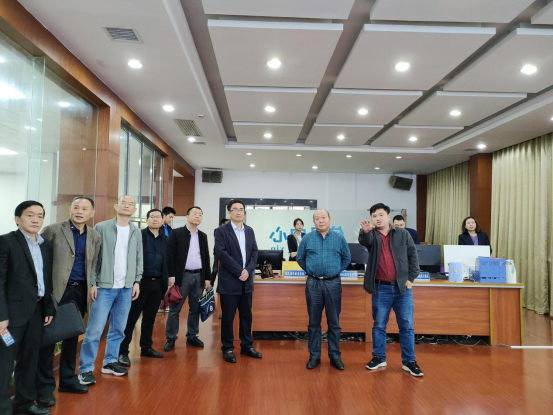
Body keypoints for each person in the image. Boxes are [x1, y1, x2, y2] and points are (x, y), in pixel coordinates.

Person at [35, 197, 101, 408]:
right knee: (49, 339)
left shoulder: (94, 236)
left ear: (92, 213)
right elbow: (41, 261)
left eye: (84, 208)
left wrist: (93, 284)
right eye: (76, 207)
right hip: (55, 292)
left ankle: (67, 380)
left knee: (72, 337)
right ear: (70, 209)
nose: (79, 211)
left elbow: (93, 264)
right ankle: (44, 388)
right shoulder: (53, 230)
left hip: (80, 291)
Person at [78, 195, 142, 386]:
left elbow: (139, 258)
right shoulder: (101, 227)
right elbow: (93, 258)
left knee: (118, 329)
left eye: (131, 204)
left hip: (126, 288)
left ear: (134, 209)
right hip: (104, 287)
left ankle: (110, 362)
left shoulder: (136, 231)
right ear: (116, 206)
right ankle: (85, 369)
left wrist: (136, 281)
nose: (127, 206)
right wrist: (92, 283)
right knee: (94, 331)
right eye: (124, 203)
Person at [0, 201, 55, 415]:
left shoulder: (44, 244)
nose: (35, 219)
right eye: (30, 215)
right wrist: (2, 315)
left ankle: (24, 404)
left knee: (29, 360)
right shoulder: (6, 242)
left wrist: (48, 308)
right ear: (17, 219)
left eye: (40, 216)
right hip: (11, 317)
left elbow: (46, 279)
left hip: (36, 312)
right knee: (5, 362)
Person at [359, 203, 423, 377]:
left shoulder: (403, 234)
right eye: (374, 216)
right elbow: (365, 242)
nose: (377, 218)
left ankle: (409, 361)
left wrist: (411, 278)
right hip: (381, 288)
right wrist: (365, 232)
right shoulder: (372, 235)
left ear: (388, 216)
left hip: (402, 288)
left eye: (381, 215)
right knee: (379, 325)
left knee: (406, 326)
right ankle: (379, 357)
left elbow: (413, 256)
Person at [296, 210, 350, 371]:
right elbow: (300, 258)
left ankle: (335, 356)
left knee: (334, 322)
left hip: (333, 283)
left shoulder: (339, 238)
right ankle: (314, 356)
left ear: (329, 219)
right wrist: (311, 270)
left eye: (323, 218)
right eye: (317, 218)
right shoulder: (307, 238)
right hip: (313, 283)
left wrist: (335, 271)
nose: (321, 221)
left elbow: (347, 258)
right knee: (314, 322)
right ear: (313, 222)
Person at [118, 209, 168, 366]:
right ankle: (122, 352)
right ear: (147, 220)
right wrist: (135, 281)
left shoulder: (166, 239)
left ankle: (146, 347)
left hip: (158, 283)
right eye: (152, 217)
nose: (155, 219)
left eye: (158, 217)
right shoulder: (138, 235)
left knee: (150, 318)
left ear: (163, 221)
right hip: (140, 283)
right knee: (131, 318)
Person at [215, 199, 261, 363]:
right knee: (228, 318)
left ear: (244, 212)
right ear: (229, 212)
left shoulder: (249, 230)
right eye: (235, 209)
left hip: (246, 283)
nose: (238, 212)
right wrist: (239, 271)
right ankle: (227, 348)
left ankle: (247, 346)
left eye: (241, 209)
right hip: (229, 281)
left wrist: (248, 270)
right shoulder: (221, 231)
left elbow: (254, 252)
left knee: (246, 316)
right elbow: (221, 253)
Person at [163, 206, 211, 352]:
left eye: (200, 214)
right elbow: (169, 255)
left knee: (195, 308)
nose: (197, 216)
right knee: (175, 309)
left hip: (199, 276)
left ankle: (192, 335)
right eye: (195, 214)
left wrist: (207, 278)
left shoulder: (203, 236)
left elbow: (206, 257)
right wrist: (171, 276)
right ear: (187, 216)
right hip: (182, 276)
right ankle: (171, 338)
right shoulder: (177, 233)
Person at [210, 218, 229, 286]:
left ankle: (223, 286)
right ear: (222, 224)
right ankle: (211, 285)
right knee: (215, 270)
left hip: (226, 253)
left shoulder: (230, 231)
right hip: (218, 253)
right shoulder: (217, 230)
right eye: (226, 224)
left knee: (225, 270)